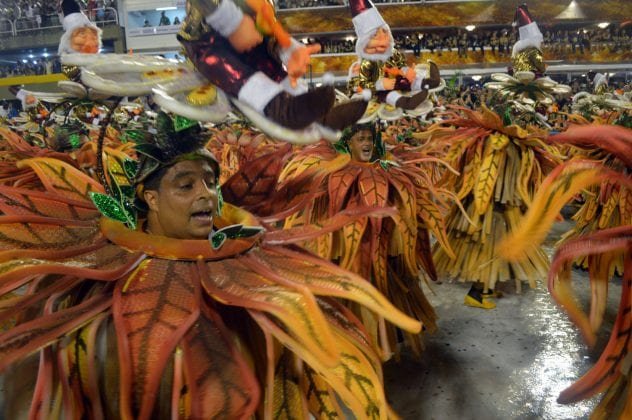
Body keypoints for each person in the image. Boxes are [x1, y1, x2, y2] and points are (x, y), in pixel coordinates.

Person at [0, 112, 420, 418]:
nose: (205, 194)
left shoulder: (247, 253)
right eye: (185, 185)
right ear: (149, 198)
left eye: (209, 182)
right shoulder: (95, 302)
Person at [178, 0, 367, 134]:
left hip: (253, 41)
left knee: (268, 64)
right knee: (225, 65)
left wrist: (289, 50)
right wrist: (232, 23)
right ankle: (277, 107)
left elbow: (269, 30)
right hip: (208, 40)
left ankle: (318, 114)